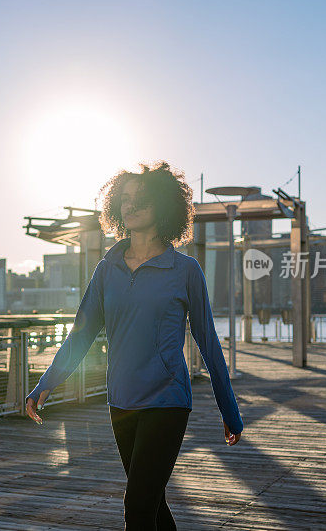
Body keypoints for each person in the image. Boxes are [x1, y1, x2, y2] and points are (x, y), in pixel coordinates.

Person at [25, 161, 244, 530]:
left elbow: (207, 341)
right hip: (121, 401)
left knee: (137, 506)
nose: (131, 205)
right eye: (125, 199)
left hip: (167, 400)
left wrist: (229, 408)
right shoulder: (106, 269)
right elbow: (81, 333)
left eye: (142, 199)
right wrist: (46, 382)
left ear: (164, 206)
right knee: (153, 506)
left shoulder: (185, 270)